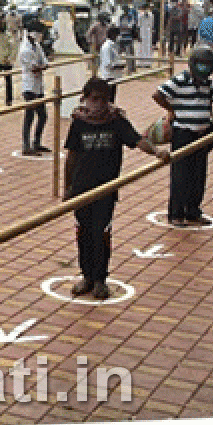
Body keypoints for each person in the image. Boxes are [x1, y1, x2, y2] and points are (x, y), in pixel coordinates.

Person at [64, 78, 170, 299]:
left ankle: (100, 278)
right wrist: (68, 188)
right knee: (83, 232)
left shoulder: (116, 121)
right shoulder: (79, 122)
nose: (99, 104)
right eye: (94, 99)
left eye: (104, 99)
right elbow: (71, 156)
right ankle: (87, 276)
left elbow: (137, 140)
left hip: (107, 189)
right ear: (85, 97)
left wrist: (156, 152)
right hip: (82, 189)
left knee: (101, 232)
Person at [153, 45, 213, 227]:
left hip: (201, 135)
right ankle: (176, 214)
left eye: (207, 66)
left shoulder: (207, 83)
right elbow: (157, 94)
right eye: (201, 65)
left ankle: (193, 211)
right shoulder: (179, 80)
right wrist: (173, 109)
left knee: (198, 175)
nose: (204, 70)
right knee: (180, 175)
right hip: (183, 134)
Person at [20, 20, 51, 156]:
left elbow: (44, 62)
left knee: (43, 116)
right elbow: (35, 68)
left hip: (38, 86)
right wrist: (40, 66)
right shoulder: (25, 49)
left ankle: (37, 142)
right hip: (29, 86)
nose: (41, 35)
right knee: (29, 116)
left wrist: (41, 66)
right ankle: (26, 145)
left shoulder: (36, 45)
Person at [0, 13, 18, 106]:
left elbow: (13, 48)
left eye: (4, 21)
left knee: (8, 81)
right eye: (1, 21)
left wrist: (10, 59)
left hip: (7, 61)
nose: (3, 22)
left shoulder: (8, 34)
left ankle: (9, 100)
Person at [97, 27, 122, 101]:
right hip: (108, 76)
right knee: (109, 99)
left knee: (112, 98)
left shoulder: (113, 45)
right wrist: (119, 66)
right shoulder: (107, 47)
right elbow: (108, 63)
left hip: (113, 75)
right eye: (117, 35)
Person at [137, 2, 154, 67]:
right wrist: (138, 35)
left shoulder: (151, 15)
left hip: (148, 31)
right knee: (141, 46)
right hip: (142, 31)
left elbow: (151, 24)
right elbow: (138, 26)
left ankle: (148, 62)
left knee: (148, 46)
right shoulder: (140, 15)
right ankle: (140, 62)